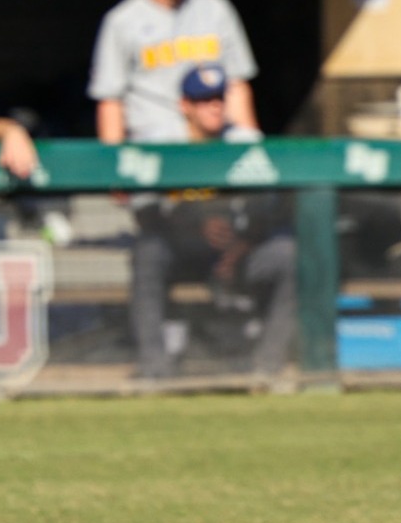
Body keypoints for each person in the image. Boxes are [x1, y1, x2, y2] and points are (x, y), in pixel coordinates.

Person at [126, 66, 294, 379]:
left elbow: (270, 208)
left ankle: (267, 368)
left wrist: (245, 244)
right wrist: (190, 227)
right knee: (147, 251)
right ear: (185, 105)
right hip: (182, 251)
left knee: (288, 254)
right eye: (203, 100)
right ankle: (154, 368)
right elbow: (144, 211)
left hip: (238, 252)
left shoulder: (245, 141)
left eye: (218, 98)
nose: (214, 106)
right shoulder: (163, 143)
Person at [90, 0, 260, 146]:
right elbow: (110, 100)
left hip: (214, 142)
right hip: (154, 146)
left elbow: (237, 85)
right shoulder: (121, 20)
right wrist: (114, 171)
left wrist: (249, 153)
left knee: (247, 138)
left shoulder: (216, 7)